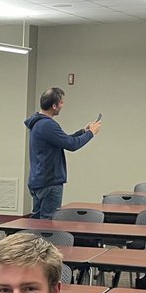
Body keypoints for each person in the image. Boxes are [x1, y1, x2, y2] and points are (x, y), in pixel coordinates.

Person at [24, 87, 101, 220]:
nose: (62, 105)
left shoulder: (38, 122)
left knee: (37, 223)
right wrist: (91, 133)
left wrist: (83, 131)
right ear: (54, 106)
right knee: (48, 224)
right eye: (61, 103)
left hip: (39, 180)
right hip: (49, 182)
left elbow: (64, 140)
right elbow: (72, 145)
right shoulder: (47, 125)